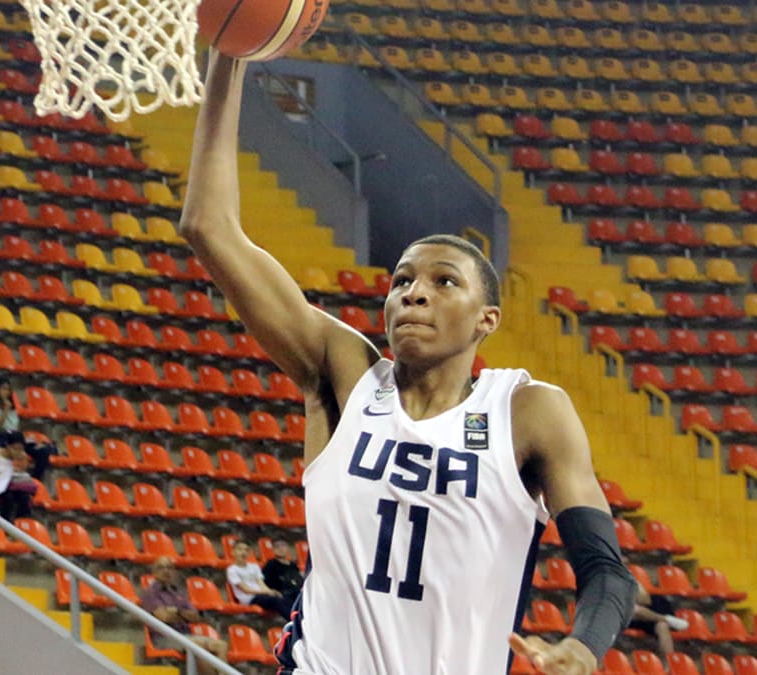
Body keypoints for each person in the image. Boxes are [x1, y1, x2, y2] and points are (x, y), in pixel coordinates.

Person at [180, 53, 638, 675]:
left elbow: (608, 573)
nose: (413, 293)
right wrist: (229, 58)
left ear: (487, 319)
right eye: (401, 281)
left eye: (444, 281)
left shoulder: (527, 412)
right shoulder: (342, 373)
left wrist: (581, 649)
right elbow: (209, 226)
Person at [140, 557, 229, 675]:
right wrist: (183, 614)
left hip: (185, 635)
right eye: (161, 568)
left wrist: (176, 611)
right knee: (199, 646)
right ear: (154, 572)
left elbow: (195, 617)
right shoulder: (150, 594)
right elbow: (164, 617)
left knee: (221, 645)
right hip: (164, 638)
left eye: (169, 568)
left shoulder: (178, 593)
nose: (166, 571)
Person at [0, 376, 55, 481]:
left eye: (8, 389)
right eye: (3, 389)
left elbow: (15, 428)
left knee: (43, 450)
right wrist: (5, 409)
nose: (6, 392)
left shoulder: (12, 409)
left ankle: (36, 480)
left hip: (14, 438)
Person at [225, 541, 293, 616]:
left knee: (285, 598)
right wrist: (267, 592)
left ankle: (298, 620)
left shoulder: (254, 567)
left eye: (246, 550)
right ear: (233, 552)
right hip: (249, 599)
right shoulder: (232, 570)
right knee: (275, 600)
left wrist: (271, 592)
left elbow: (261, 584)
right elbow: (246, 590)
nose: (243, 552)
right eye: (240, 549)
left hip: (261, 595)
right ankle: (293, 621)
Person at [0, 431, 38, 522]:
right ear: (8, 446)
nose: (18, 452)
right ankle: (5, 524)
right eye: (15, 449)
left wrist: (21, 459)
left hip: (13, 486)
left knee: (25, 497)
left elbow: (22, 473)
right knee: (8, 497)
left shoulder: (21, 456)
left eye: (21, 449)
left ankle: (20, 523)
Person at [627, 585, 688, 663]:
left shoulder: (659, 601)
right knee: (636, 609)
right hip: (630, 621)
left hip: (651, 621)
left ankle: (668, 665)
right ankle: (666, 619)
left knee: (663, 626)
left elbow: (644, 599)